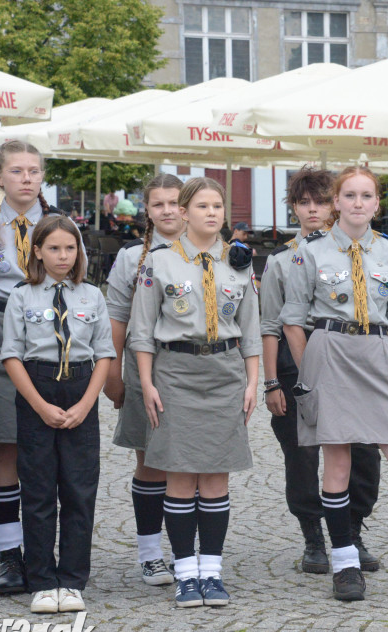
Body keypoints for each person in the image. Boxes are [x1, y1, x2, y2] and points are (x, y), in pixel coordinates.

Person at [280, 167, 388, 603]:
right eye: (349, 195)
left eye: (366, 196)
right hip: (329, 354)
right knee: (338, 465)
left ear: (377, 204)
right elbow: (291, 320)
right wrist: (310, 374)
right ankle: (344, 564)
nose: (358, 203)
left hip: (374, 357)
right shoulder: (312, 252)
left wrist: (383, 357)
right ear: (336, 202)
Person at [129, 177, 261, 608]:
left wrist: (253, 381)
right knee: (182, 475)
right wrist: (147, 383)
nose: (212, 213)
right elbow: (143, 331)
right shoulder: (160, 261)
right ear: (183, 213)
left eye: (218, 206)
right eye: (202, 205)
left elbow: (253, 329)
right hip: (176, 372)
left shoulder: (238, 262)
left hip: (224, 371)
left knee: (217, 475)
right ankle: (186, 573)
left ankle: (212, 570)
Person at [0, 140, 68, 595]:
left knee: (46, 452)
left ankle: (43, 552)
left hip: (49, 336)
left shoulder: (58, 223)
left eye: (35, 170)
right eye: (17, 171)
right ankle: (9, 558)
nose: (27, 178)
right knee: (7, 446)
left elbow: (76, 280)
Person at [260, 167, 382, 575]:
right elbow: (270, 326)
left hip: (352, 367)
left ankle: (351, 529)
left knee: (364, 453)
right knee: (301, 455)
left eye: (320, 201)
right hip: (297, 370)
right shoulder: (280, 261)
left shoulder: (360, 251)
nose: (312, 210)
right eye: (303, 202)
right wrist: (273, 381)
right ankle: (313, 534)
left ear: (335, 204)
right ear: (293, 207)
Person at [0, 215, 115, 613]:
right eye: (53, 248)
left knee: (79, 490)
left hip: (80, 389)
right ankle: (43, 582)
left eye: (70, 248)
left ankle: (72, 581)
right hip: (38, 390)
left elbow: (104, 355)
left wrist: (85, 405)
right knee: (37, 490)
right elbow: (11, 355)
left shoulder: (92, 296)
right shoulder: (22, 296)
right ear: (37, 252)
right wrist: (40, 406)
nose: (63, 255)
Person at [104, 173, 183, 586]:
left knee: (196, 462)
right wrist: (111, 374)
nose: (168, 210)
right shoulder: (130, 257)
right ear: (147, 211)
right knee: (150, 462)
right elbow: (116, 317)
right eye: (159, 204)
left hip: (196, 371)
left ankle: (191, 552)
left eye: (175, 202)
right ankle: (151, 552)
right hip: (142, 366)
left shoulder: (215, 252)